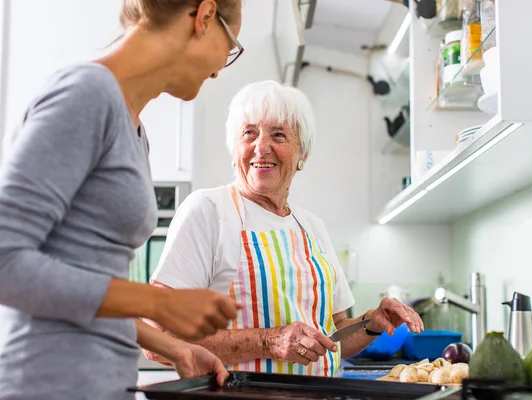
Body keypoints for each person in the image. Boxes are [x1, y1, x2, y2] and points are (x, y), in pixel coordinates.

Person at [0, 1, 244, 399]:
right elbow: (4, 260)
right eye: (230, 46)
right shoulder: (86, 94)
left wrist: (174, 345)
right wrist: (159, 303)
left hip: (103, 382)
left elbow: (87, 288)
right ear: (203, 17)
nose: (219, 69)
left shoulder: (135, 129)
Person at [144, 80, 424, 377]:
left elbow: (335, 334)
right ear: (234, 147)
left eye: (278, 135)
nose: (261, 147)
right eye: (248, 133)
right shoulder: (209, 210)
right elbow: (156, 336)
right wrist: (269, 341)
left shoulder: (312, 227)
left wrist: (371, 322)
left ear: (302, 154)